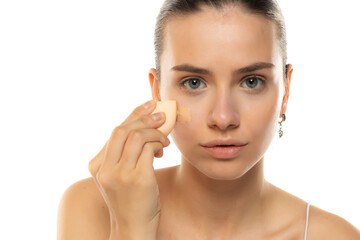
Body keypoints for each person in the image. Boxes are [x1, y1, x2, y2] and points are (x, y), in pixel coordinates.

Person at [57, 0, 360, 239]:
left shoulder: (334, 236)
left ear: (286, 89)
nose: (224, 117)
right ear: (157, 89)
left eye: (252, 81)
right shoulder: (92, 209)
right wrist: (131, 230)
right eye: (194, 83)